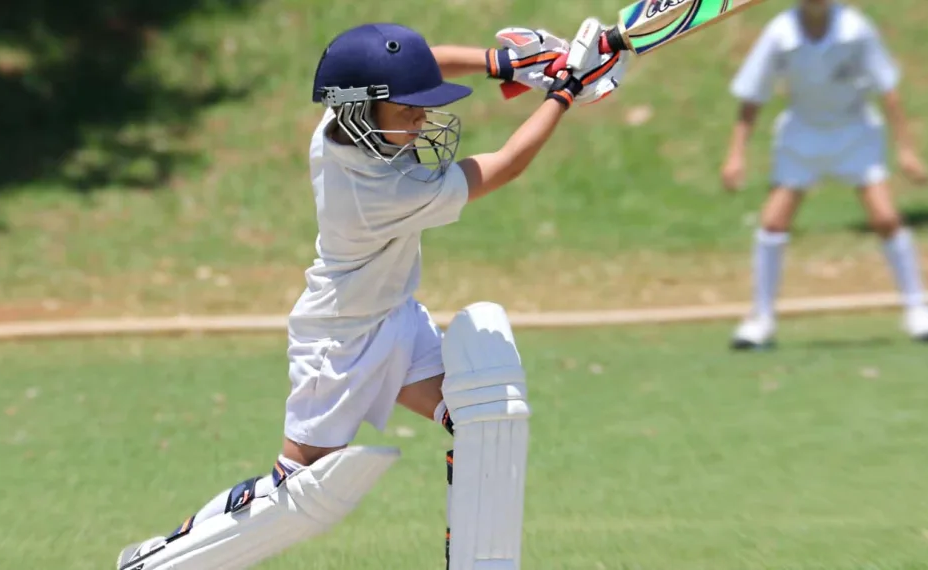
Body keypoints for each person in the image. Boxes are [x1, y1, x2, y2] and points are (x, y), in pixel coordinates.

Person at [115, 20, 628, 570]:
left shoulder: (341, 121)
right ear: (363, 111)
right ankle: (158, 564)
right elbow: (505, 165)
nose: (423, 118)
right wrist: (565, 92)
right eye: (409, 111)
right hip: (339, 340)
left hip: (396, 318)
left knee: (485, 416)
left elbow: (415, 64)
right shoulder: (381, 190)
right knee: (300, 494)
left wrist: (502, 64)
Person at [721, 0, 928, 349]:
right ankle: (760, 319)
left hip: (854, 131)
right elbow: (753, 96)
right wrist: (736, 155)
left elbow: (888, 90)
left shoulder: (856, 29)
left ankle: (919, 310)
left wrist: (906, 150)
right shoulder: (780, 34)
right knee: (772, 224)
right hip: (802, 135)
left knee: (886, 218)